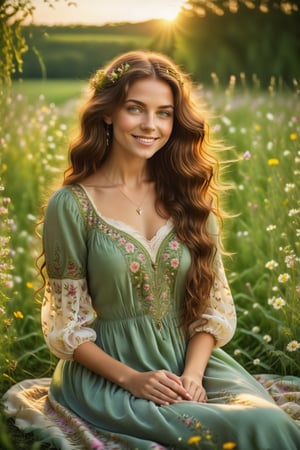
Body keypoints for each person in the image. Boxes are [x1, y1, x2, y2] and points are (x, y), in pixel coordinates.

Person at [3, 50, 300, 449]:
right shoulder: (72, 205)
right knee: (235, 432)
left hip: (189, 362)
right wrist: (133, 380)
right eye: (135, 109)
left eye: (164, 113)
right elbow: (67, 326)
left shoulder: (190, 198)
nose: (150, 125)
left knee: (267, 421)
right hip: (108, 375)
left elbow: (209, 307)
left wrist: (193, 376)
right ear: (107, 113)